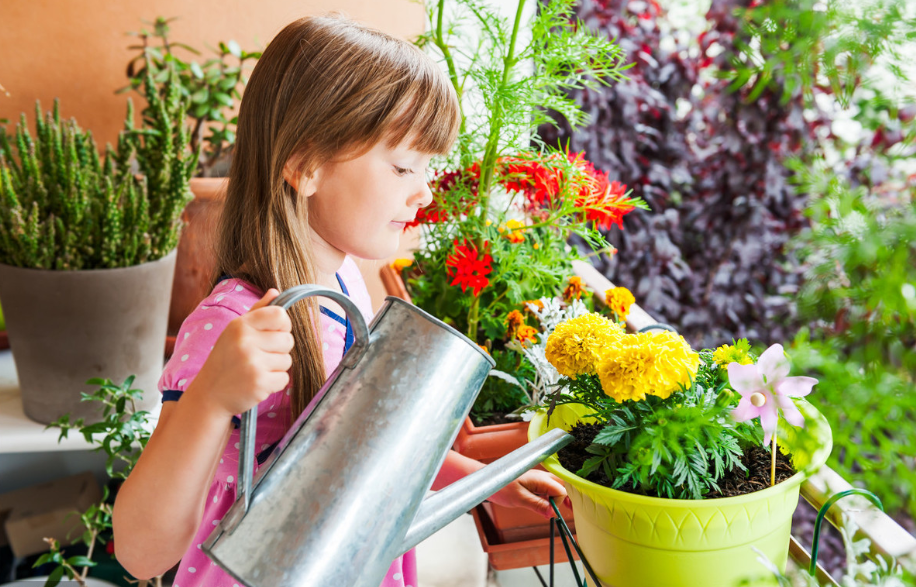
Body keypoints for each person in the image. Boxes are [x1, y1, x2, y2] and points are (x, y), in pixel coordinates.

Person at [112, 14, 567, 587]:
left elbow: (355, 446)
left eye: (428, 168)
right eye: (404, 165)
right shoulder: (235, 322)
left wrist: (487, 476)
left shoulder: (347, 283)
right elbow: (139, 551)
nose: (424, 189)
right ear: (304, 165)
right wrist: (208, 398)